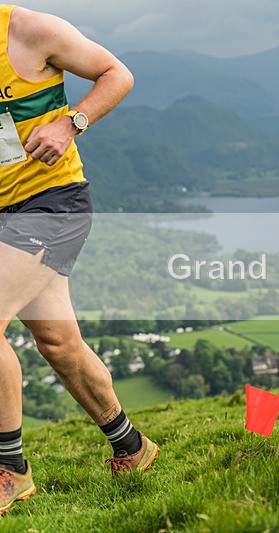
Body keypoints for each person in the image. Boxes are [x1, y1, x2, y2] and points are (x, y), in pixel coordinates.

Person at [0, 5, 158, 515]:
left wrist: (72, 123)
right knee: (59, 344)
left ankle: (11, 469)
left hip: (52, 205)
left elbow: (119, 74)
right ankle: (132, 447)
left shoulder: (28, 30)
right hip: (5, 216)